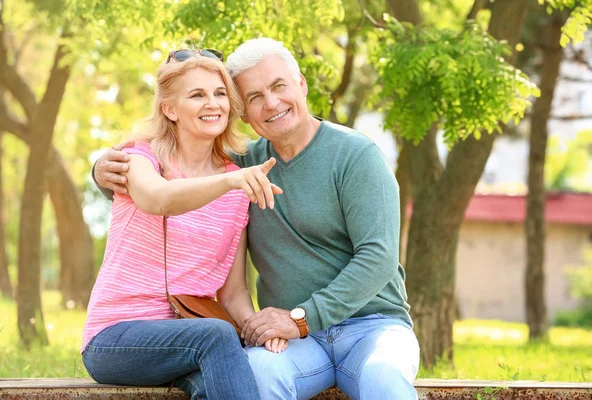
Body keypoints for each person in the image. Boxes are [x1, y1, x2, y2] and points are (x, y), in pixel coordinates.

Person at [93, 39, 420, 400]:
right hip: (297, 341)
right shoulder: (241, 168)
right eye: (254, 97)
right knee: (259, 373)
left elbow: (379, 258)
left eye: (279, 86)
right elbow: (169, 176)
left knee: (384, 379)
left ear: (302, 85)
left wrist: (296, 319)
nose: (272, 103)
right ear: (244, 113)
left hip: (370, 327)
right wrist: (101, 172)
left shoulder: (356, 156)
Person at [82, 49, 288, 400]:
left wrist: (260, 329)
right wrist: (229, 183)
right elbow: (159, 199)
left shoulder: (237, 185)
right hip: (115, 338)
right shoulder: (139, 158)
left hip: (188, 339)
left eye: (220, 93)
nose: (213, 103)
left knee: (234, 373)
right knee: (217, 336)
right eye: (197, 95)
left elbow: (233, 291)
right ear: (169, 109)